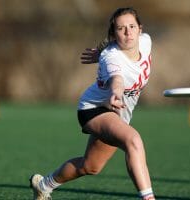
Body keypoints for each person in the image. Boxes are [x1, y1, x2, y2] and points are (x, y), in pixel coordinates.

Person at [30, 7, 155, 200]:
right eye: (121, 28)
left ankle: (43, 185)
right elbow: (117, 79)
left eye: (132, 26)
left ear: (140, 28)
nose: (128, 32)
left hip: (118, 113)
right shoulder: (112, 58)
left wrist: (101, 49)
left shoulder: (145, 42)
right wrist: (115, 92)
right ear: (114, 33)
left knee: (90, 166)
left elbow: (113, 44)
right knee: (134, 140)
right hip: (94, 109)